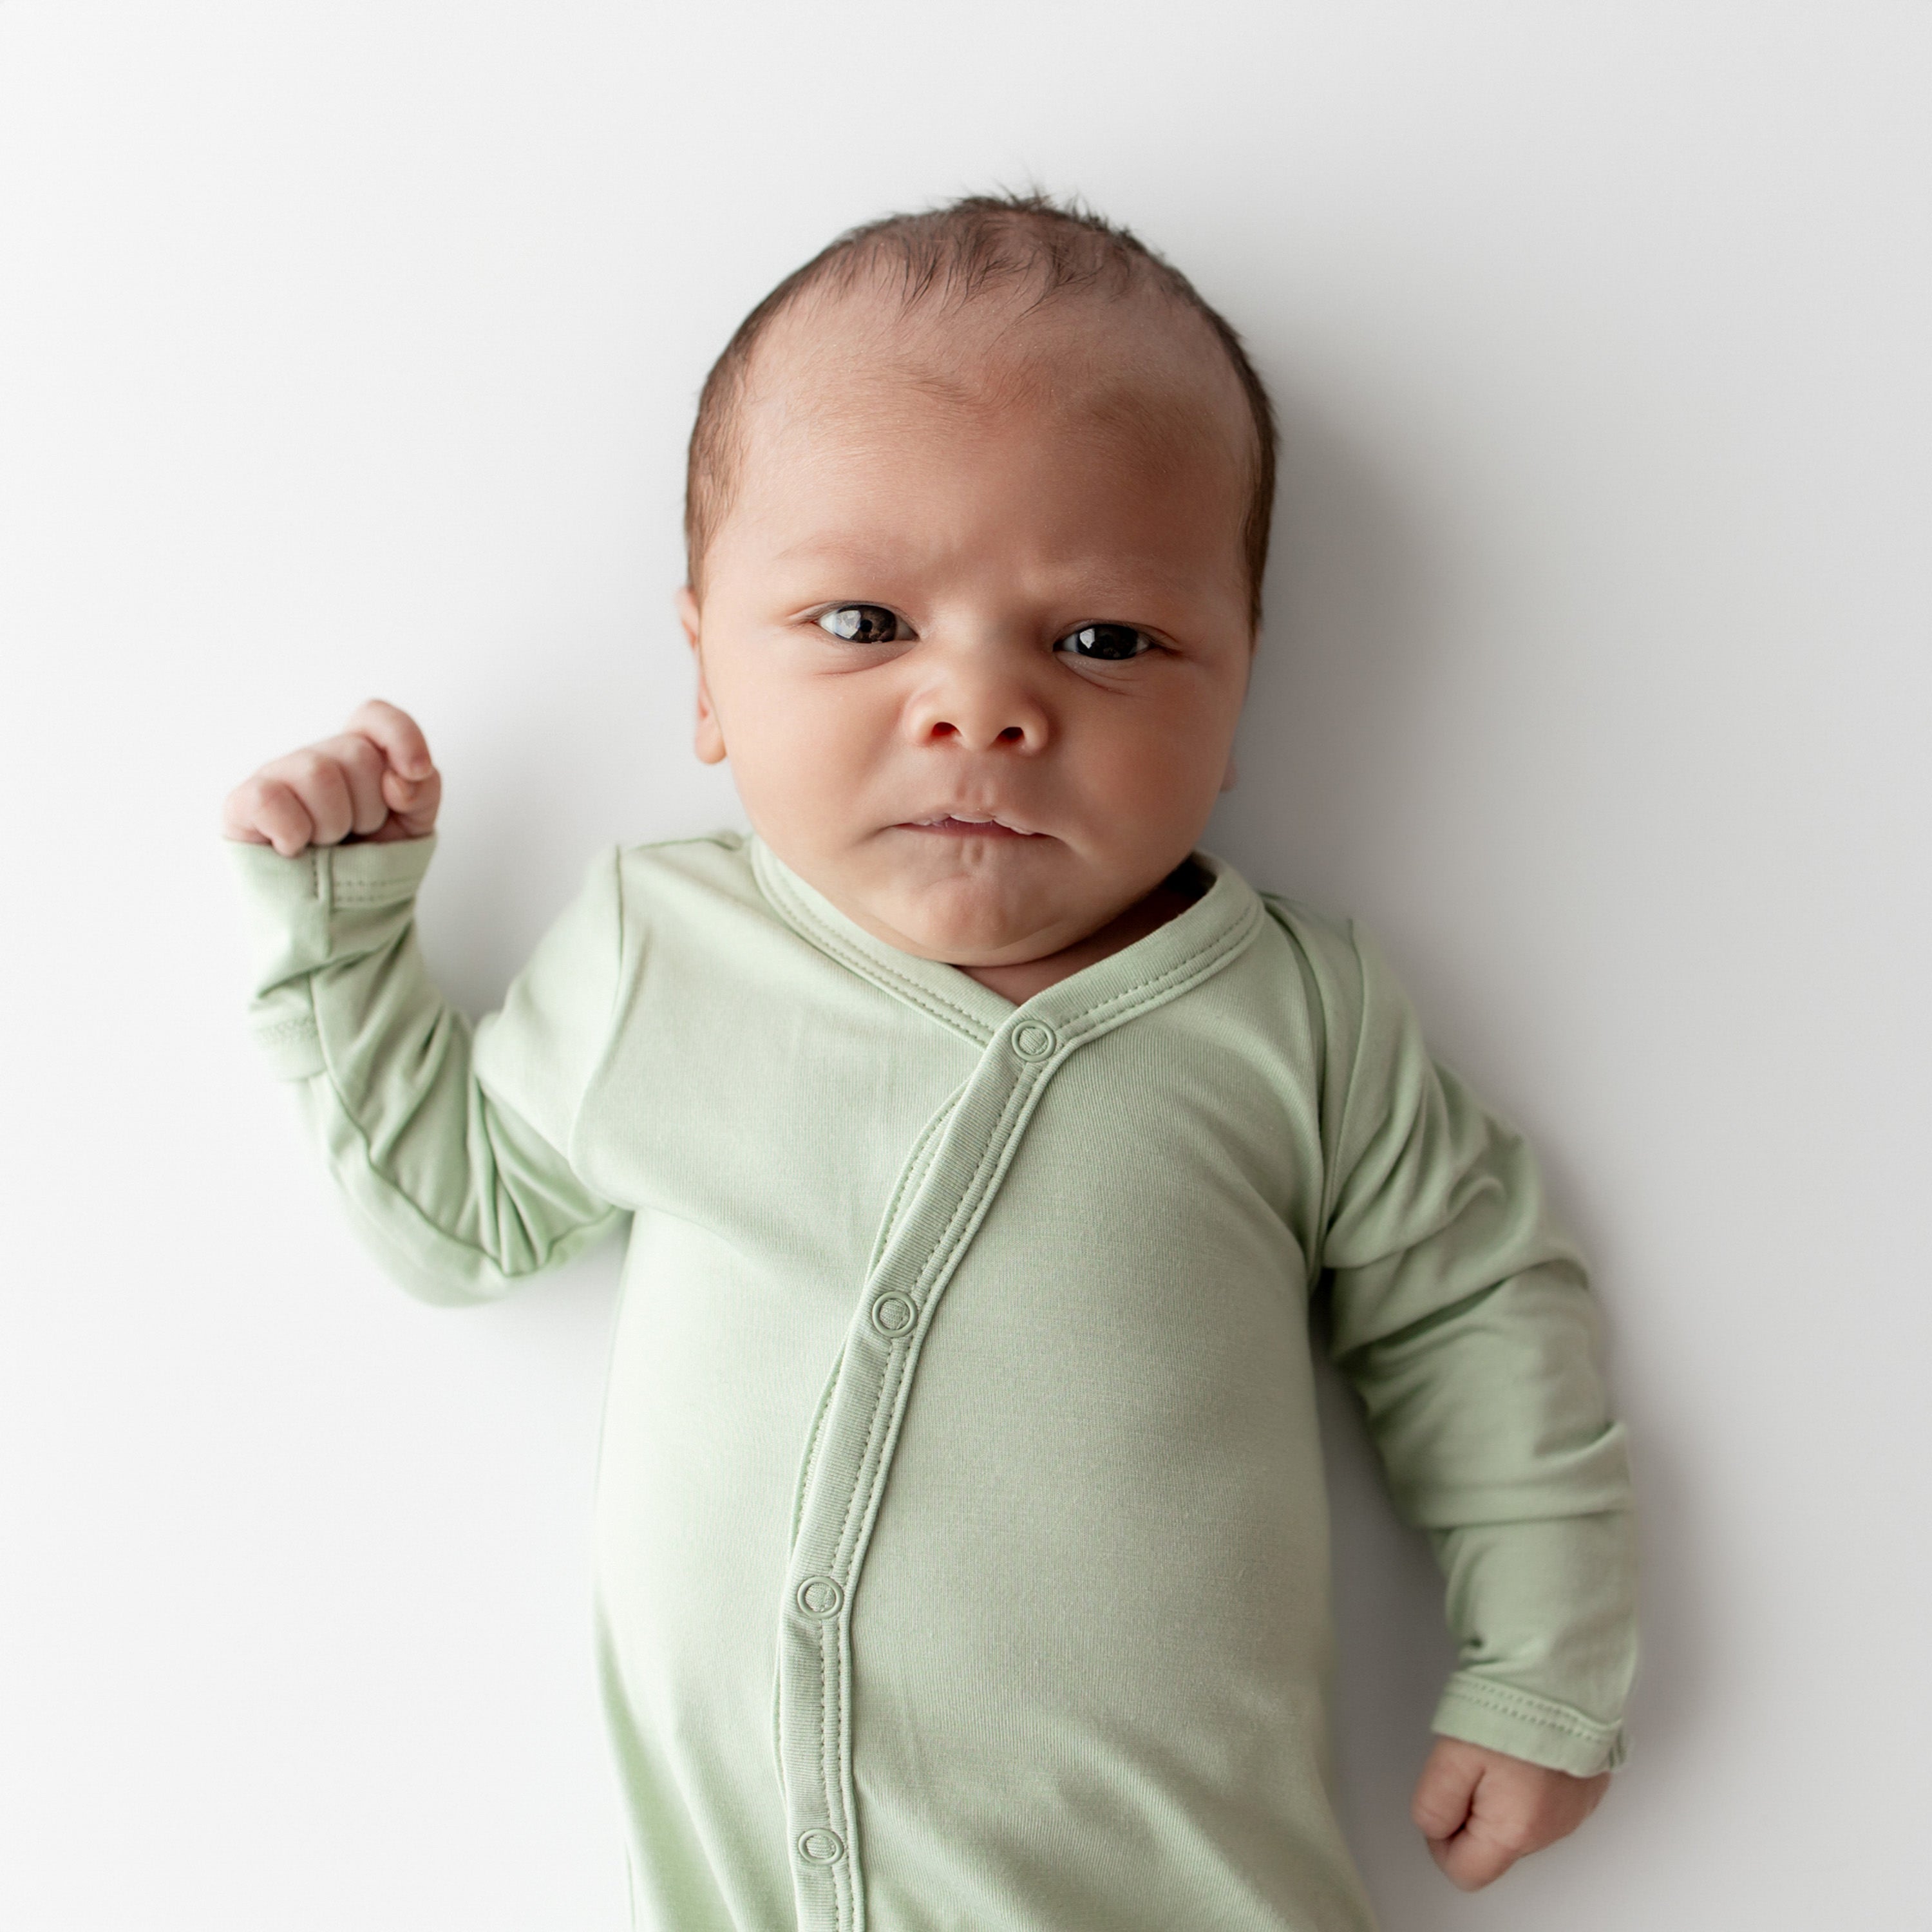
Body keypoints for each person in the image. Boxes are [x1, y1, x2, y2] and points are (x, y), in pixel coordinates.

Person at [220, 193, 1637, 1931]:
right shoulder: (661, 956)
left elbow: (1477, 1313)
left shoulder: (1299, 1014)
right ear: (707, 680)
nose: (979, 707)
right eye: (864, 625)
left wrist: (1542, 1665)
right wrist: (341, 929)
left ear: (1243, 685)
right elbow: (454, 1222)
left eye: (1105, 640)